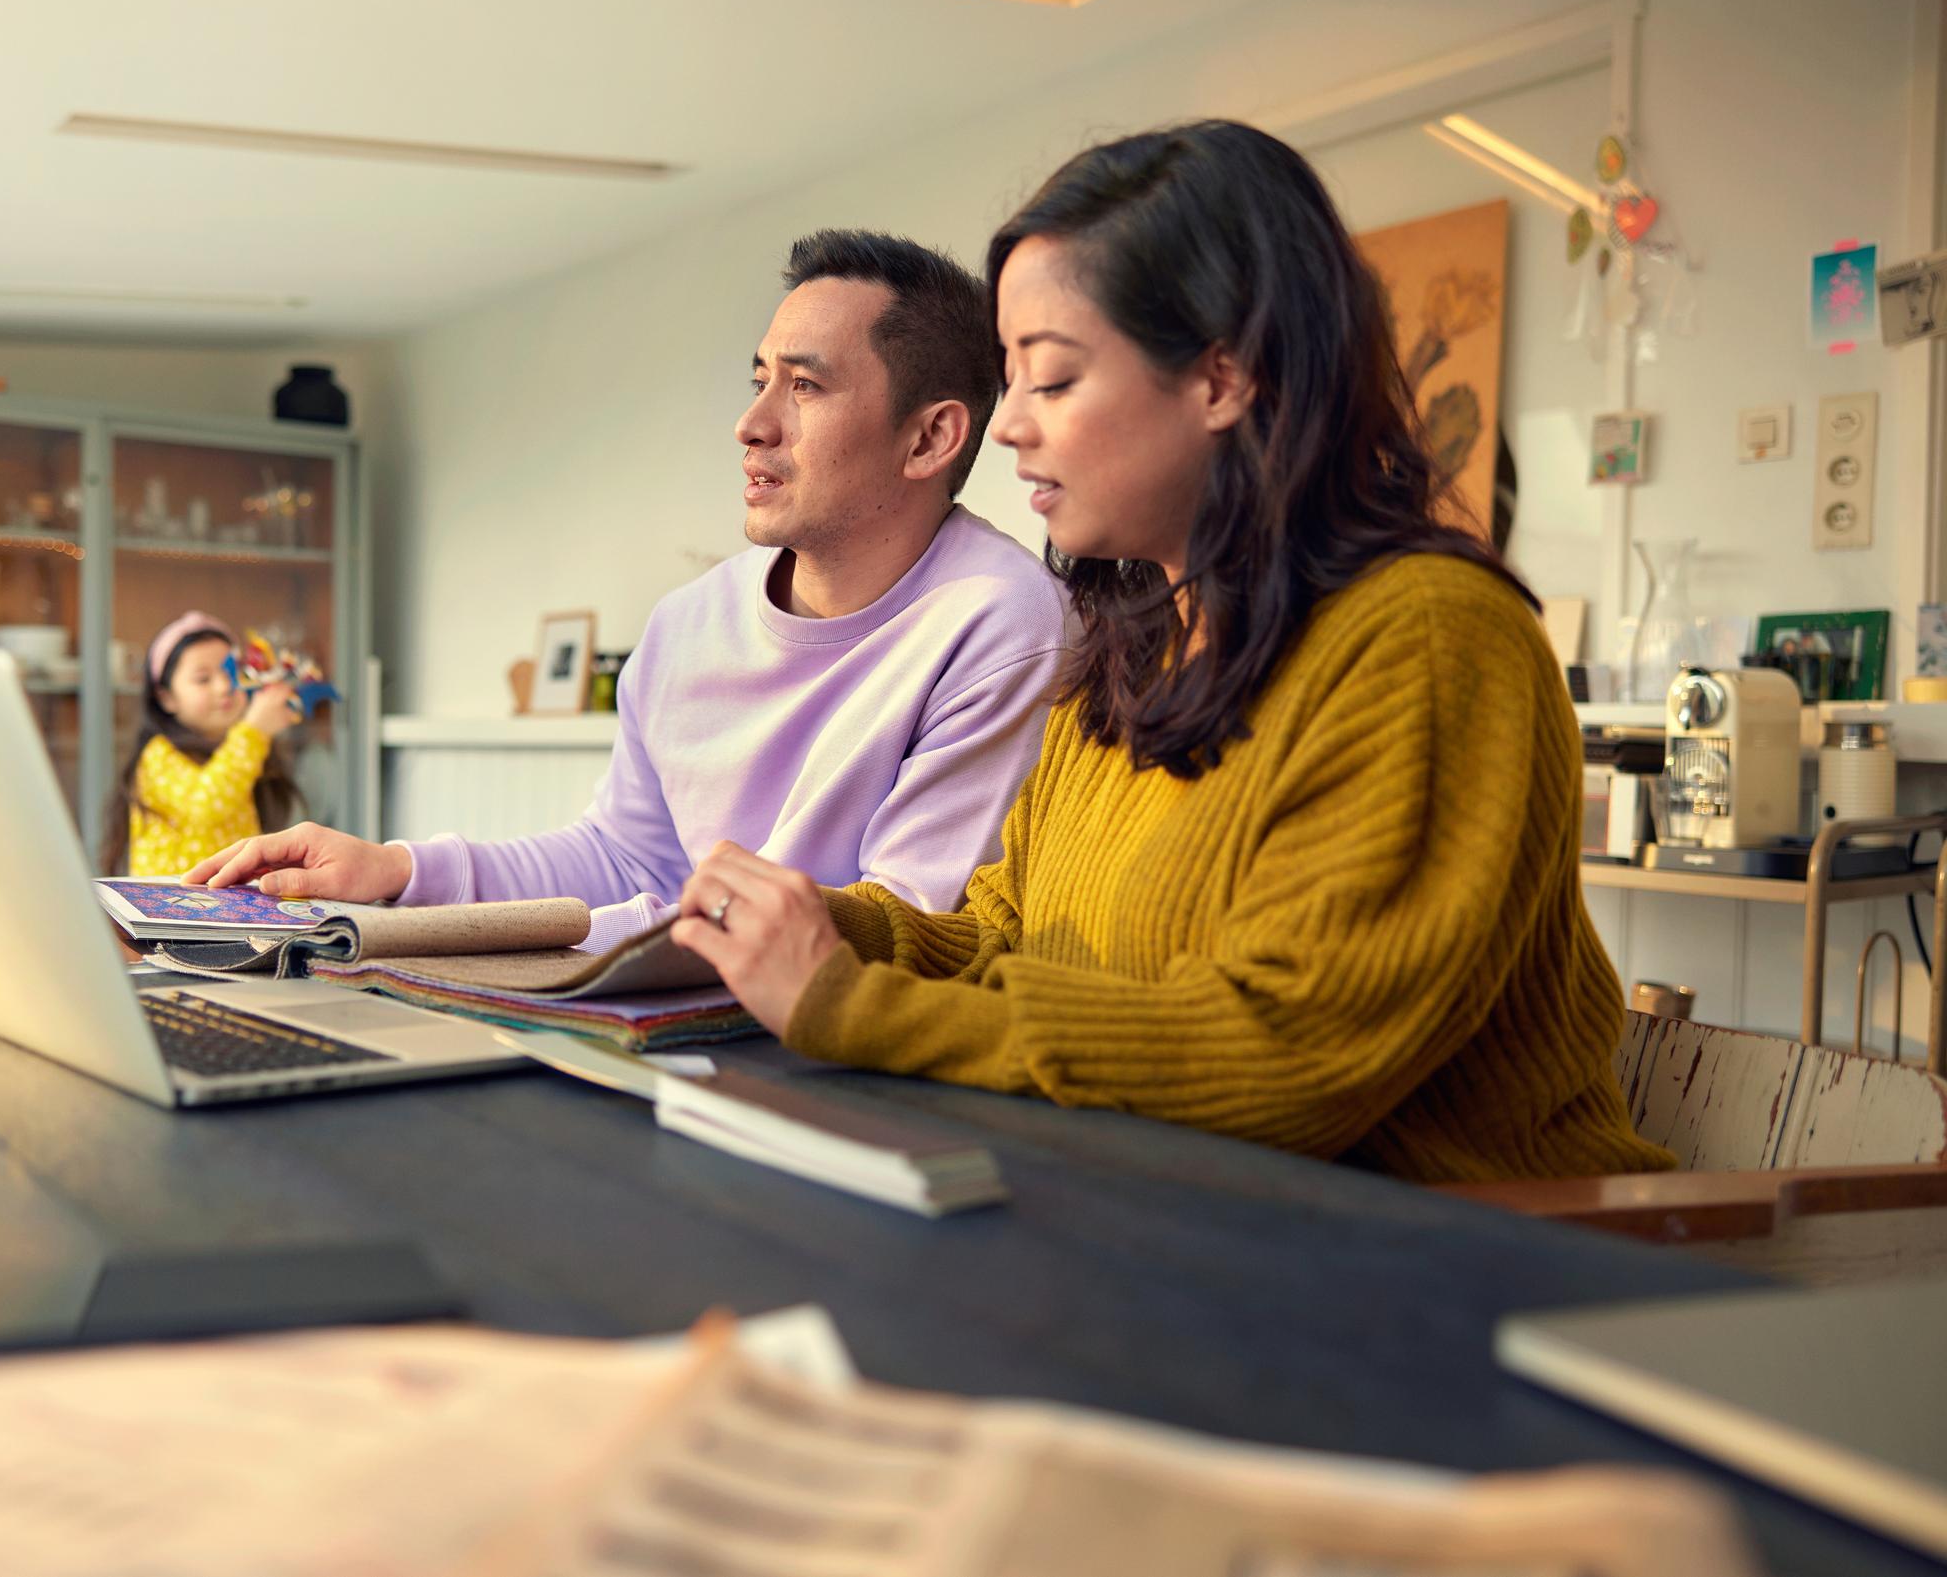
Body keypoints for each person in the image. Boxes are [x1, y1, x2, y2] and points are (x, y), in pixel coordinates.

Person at [667, 123, 1674, 1185]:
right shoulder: (1130, 642)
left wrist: (846, 1000)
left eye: (1049, 380)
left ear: (1221, 379)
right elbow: (1011, 938)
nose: (1005, 425)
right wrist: (829, 922)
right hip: (1174, 1220)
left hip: (1483, 1271)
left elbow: (1286, 1056)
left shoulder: (1430, 639)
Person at [189, 230, 1072, 948]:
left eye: (805, 385)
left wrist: (494, 942)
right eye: (759, 379)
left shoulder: (1005, 621)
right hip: (666, 1014)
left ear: (929, 440)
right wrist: (401, 875)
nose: (752, 423)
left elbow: (904, 922)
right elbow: (627, 859)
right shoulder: (688, 624)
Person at [102, 610, 303, 876]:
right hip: (169, 912)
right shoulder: (158, 755)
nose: (223, 687)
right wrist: (254, 731)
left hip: (226, 909)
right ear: (166, 698)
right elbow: (207, 806)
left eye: (231, 673)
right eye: (203, 679)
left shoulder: (239, 749)